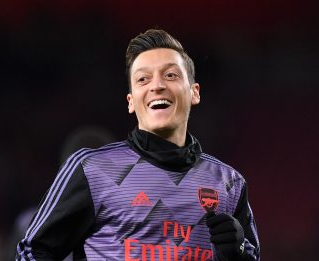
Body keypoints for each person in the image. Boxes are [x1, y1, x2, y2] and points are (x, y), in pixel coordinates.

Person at [16, 29, 260, 261]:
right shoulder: (92, 170)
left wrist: (238, 254)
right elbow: (32, 252)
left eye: (171, 75)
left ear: (194, 93)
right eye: (143, 79)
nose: (157, 85)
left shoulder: (229, 183)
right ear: (131, 101)